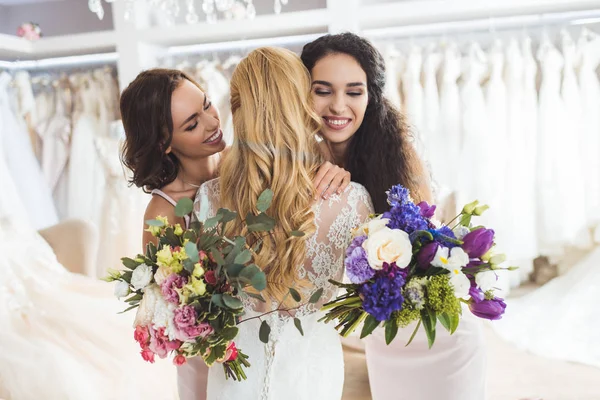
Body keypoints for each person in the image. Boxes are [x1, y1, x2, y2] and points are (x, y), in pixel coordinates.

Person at [180, 47, 374, 400]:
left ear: (238, 110)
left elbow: (200, 300)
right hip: (313, 374)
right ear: (303, 106)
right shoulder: (353, 199)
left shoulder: (208, 199)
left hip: (236, 375)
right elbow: (375, 304)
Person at [301, 32, 487, 400]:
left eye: (354, 92)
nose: (339, 106)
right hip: (385, 330)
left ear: (371, 97)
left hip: (438, 327)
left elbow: (428, 244)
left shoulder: (397, 151)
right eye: (323, 90)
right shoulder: (294, 163)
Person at [119, 69, 351, 248]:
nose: (213, 123)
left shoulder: (250, 161)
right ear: (163, 143)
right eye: (192, 125)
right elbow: (167, 304)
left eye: (207, 105)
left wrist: (334, 173)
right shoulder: (164, 214)